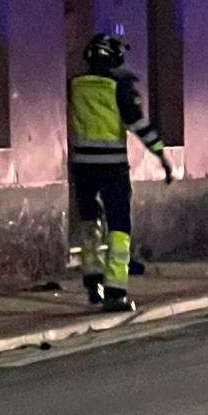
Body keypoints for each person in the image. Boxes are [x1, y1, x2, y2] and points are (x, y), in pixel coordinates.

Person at [68, 33, 173, 312]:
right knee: (119, 227)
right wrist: (161, 154)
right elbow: (138, 124)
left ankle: (92, 280)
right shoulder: (120, 86)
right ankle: (115, 290)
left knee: (89, 221)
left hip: (81, 165)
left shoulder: (75, 85)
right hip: (112, 166)